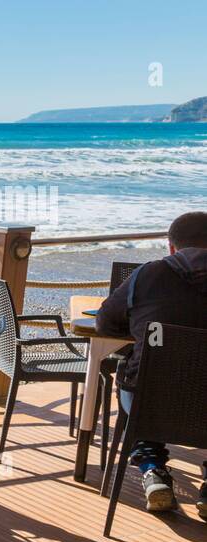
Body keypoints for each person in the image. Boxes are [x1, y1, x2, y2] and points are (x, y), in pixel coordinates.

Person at [96, 211, 207, 519]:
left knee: (141, 378)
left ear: (171, 247)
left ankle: (152, 468)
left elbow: (105, 323)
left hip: (150, 401)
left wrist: (141, 332)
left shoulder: (147, 274)